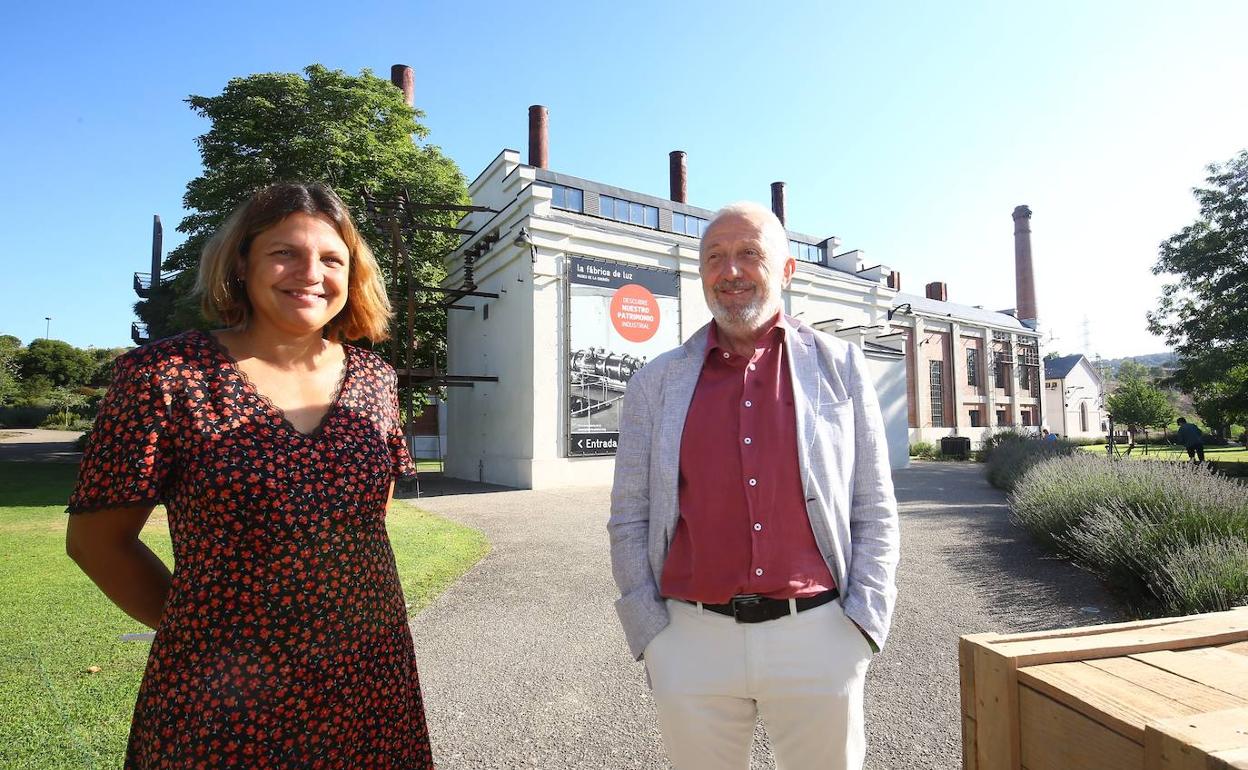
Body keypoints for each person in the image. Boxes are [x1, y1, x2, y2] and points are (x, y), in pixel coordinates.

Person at [65, 183, 432, 769]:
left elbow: (369, 520)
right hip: (222, 690)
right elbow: (96, 543)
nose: (310, 272)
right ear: (242, 263)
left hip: (368, 672)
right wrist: (206, 631)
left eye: (332, 258)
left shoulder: (375, 378)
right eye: (284, 252)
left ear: (352, 274)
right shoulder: (164, 375)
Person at [608, 201, 900, 770]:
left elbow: (874, 505)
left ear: (786, 270)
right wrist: (650, 631)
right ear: (701, 273)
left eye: (749, 254)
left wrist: (864, 621)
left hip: (819, 634)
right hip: (691, 640)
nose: (730, 270)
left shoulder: (840, 366)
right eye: (714, 256)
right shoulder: (656, 383)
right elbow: (629, 515)